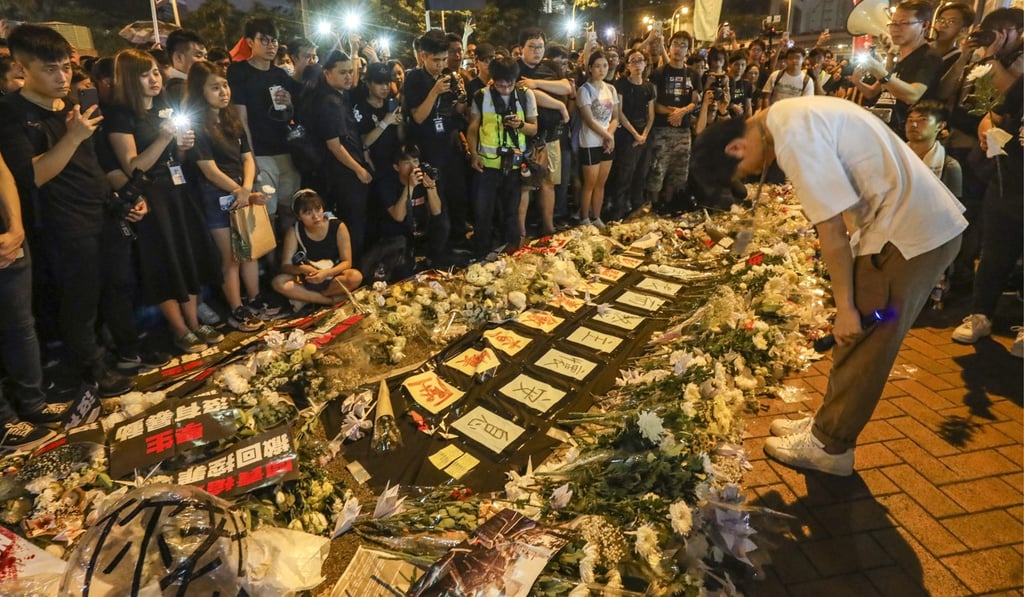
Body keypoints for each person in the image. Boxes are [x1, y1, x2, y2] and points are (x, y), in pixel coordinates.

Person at [692, 96, 966, 475]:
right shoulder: (788, 115)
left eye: (745, 172)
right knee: (858, 336)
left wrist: (846, 308)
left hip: (907, 237)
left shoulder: (791, 135)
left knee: (863, 340)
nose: (756, 175)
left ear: (736, 148)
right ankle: (826, 425)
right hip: (907, 226)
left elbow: (832, 232)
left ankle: (831, 447)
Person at [0, 25, 142, 398]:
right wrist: (73, 136)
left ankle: (117, 353)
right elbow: (32, 176)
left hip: (101, 212)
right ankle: (92, 371)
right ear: (21, 68)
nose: (62, 77)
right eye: (50, 69)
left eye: (65, 66)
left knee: (116, 286)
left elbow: (90, 165)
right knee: (79, 302)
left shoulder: (73, 105)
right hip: (63, 224)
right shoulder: (11, 113)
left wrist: (120, 198)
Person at [106, 49, 223, 354]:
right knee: (164, 261)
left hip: (178, 190)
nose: (154, 79)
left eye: (156, 72)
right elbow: (132, 166)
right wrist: (162, 138)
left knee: (188, 255)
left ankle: (195, 321)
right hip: (151, 195)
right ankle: (179, 328)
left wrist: (181, 146)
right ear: (130, 79)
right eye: (145, 74)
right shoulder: (121, 115)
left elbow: (174, 156)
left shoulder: (162, 107)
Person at [0, 152, 76, 450]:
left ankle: (34, 403)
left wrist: (16, 227)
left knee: (21, 325)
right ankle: (4, 422)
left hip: (9, 236)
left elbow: (3, 173)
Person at [185, 61, 266, 333]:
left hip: (242, 189)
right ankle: (236, 308)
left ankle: (255, 300)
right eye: (215, 87)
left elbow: (247, 157)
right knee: (230, 256)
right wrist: (239, 190)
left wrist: (246, 186)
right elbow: (208, 169)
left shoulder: (231, 118)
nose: (223, 92)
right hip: (216, 195)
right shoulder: (198, 126)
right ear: (200, 90)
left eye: (225, 85)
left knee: (249, 250)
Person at [950, 76, 1023, 355]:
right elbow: (994, 114)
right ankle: (980, 316)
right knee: (993, 256)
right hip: (1008, 183)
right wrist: (987, 129)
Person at [227, 18, 303, 235]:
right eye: (265, 40)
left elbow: (289, 116)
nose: (271, 46)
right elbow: (241, 119)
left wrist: (289, 104)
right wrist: (250, 156)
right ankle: (269, 264)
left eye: (275, 41)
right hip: (260, 152)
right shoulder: (239, 72)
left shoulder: (280, 74)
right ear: (250, 42)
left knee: (290, 208)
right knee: (266, 212)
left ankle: (287, 256)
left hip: (285, 150)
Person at [301, 50, 373, 258]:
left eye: (350, 71)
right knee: (352, 222)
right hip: (342, 174)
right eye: (342, 72)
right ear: (327, 73)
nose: (349, 76)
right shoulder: (329, 102)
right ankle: (353, 266)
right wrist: (359, 170)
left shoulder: (339, 96)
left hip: (342, 171)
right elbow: (334, 145)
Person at [467, 57, 538, 255]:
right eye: (500, 85)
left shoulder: (526, 96)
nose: (505, 89)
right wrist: (473, 154)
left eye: (509, 85)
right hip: (487, 165)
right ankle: (482, 253)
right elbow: (472, 128)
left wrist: (521, 126)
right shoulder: (481, 96)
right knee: (483, 213)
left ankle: (512, 252)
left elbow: (534, 129)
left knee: (511, 212)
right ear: (492, 80)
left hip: (514, 166)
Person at [853, 0, 944, 138]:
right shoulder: (899, 58)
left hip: (906, 137)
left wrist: (880, 72)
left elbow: (913, 95)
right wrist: (858, 81)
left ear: (924, 25)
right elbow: (874, 92)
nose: (895, 29)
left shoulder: (928, 57)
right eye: (893, 23)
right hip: (886, 133)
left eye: (904, 23)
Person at [272, 189, 363, 307]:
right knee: (278, 282)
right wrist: (303, 269)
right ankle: (329, 301)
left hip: (332, 275)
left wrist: (325, 274)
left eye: (318, 209)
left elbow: (346, 262)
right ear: (298, 216)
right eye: (308, 213)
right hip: (308, 278)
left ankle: (310, 297)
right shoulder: (294, 231)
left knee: (355, 277)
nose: (316, 216)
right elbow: (285, 266)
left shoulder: (338, 226)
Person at [647, 30, 701, 210]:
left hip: (683, 130)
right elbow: (653, 104)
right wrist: (674, 112)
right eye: (675, 44)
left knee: (678, 169)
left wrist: (683, 112)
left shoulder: (693, 74)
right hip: (661, 129)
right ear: (669, 48)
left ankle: (668, 203)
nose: (678, 49)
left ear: (688, 50)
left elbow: (695, 101)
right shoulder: (658, 73)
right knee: (658, 168)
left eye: (683, 45)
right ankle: (655, 204)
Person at [606, 48, 655, 220]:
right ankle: (618, 213)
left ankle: (637, 210)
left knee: (641, 175)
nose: (637, 64)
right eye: (633, 61)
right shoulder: (621, 85)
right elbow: (619, 114)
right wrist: (635, 135)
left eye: (640, 60)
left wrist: (644, 135)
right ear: (627, 65)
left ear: (645, 63)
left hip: (644, 136)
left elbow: (651, 115)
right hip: (626, 135)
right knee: (624, 175)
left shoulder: (649, 87)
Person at [576, 50, 619, 228]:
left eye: (605, 66)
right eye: (597, 66)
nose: (601, 70)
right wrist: (608, 136)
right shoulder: (584, 90)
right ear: (590, 69)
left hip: (607, 141)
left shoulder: (610, 89)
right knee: (590, 183)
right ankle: (585, 217)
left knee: (601, 183)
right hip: (591, 141)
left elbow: (615, 116)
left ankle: (597, 216)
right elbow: (589, 119)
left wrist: (609, 135)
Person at [163, 29, 207, 109]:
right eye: (198, 56)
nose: (205, 61)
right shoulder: (177, 90)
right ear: (178, 58)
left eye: (205, 57)